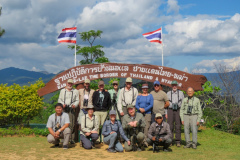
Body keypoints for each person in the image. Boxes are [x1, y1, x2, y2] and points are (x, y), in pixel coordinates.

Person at [58, 79, 79, 144]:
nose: (70, 84)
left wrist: (74, 105)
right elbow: (59, 99)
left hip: (71, 109)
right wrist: (62, 105)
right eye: (69, 83)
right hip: (64, 109)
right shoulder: (62, 91)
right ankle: (62, 138)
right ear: (66, 83)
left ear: (73, 84)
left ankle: (71, 139)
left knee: (71, 123)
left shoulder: (75, 91)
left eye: (71, 83)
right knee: (62, 123)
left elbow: (77, 100)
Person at [166, 80, 184, 147]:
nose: (174, 86)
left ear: (177, 85)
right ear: (171, 86)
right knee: (170, 126)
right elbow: (166, 103)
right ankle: (170, 140)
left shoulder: (181, 93)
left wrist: (182, 113)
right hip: (170, 110)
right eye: (173, 85)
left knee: (178, 126)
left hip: (178, 110)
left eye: (175, 85)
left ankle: (178, 141)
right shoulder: (168, 93)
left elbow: (183, 104)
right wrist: (166, 113)